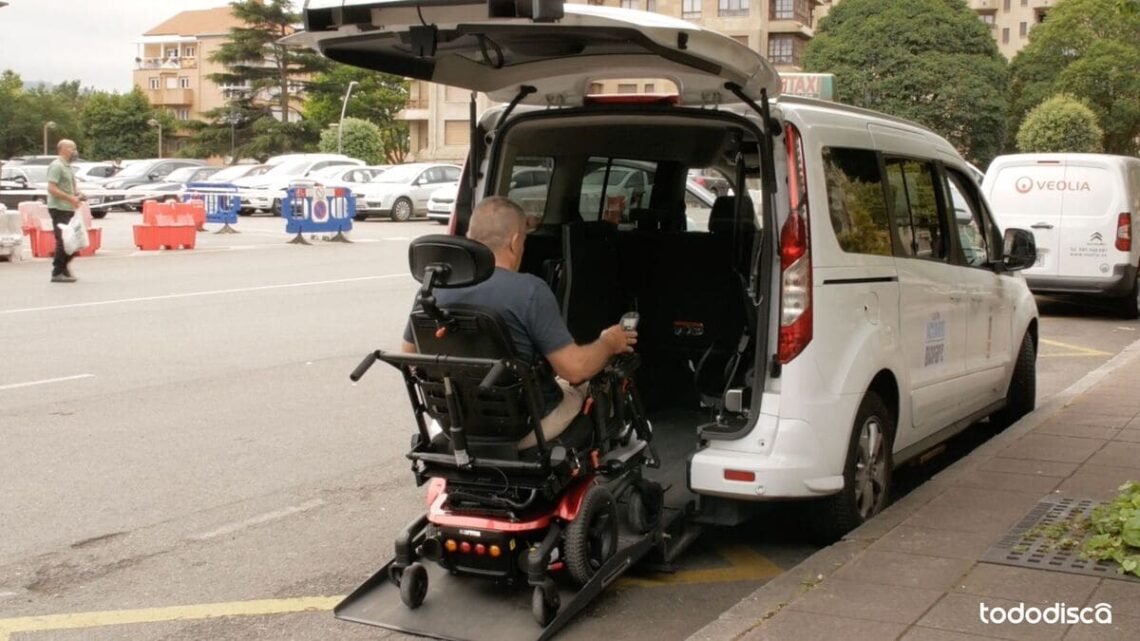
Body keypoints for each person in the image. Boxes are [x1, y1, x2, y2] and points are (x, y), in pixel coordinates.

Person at [402, 196, 637, 449]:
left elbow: (411, 354)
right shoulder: (529, 291)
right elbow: (574, 370)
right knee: (587, 385)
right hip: (525, 428)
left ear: (470, 237)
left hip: (455, 425)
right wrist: (609, 342)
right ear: (515, 242)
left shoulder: (434, 289)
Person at [46, 139, 84, 283]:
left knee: (73, 241)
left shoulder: (67, 166)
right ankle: (57, 271)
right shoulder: (56, 166)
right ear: (62, 149)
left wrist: (78, 194)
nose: (74, 151)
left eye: (75, 148)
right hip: (59, 208)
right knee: (63, 240)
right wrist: (70, 198)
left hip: (69, 207)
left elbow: (72, 186)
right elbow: (52, 188)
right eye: (72, 148)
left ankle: (63, 267)